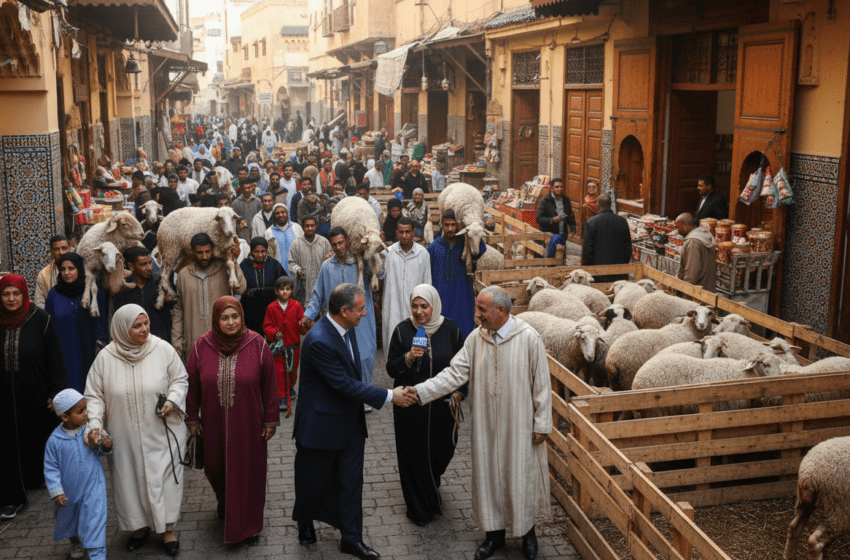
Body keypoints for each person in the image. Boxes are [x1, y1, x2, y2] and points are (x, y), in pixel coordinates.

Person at [405, 287, 552, 560]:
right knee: (488, 477)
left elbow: (542, 383)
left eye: (482, 310)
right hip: (486, 424)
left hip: (520, 424)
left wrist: (542, 423)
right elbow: (454, 373)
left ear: (501, 311)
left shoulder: (529, 338)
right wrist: (421, 391)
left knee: (521, 477)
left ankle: (527, 533)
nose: (476, 315)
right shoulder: (476, 339)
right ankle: (493, 535)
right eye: (476, 309)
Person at [292, 283, 412, 558]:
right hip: (320, 426)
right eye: (360, 309)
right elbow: (344, 384)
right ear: (344, 311)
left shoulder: (347, 327)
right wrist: (390, 395)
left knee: (350, 483)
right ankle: (305, 521)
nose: (366, 313)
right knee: (313, 481)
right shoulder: (319, 340)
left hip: (350, 424)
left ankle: (351, 538)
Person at [85, 304, 188, 555]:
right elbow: (94, 396)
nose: (145, 329)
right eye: (137, 325)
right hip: (124, 435)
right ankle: (138, 527)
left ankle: (167, 529)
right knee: (129, 481)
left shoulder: (162, 349)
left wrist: (173, 401)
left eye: (146, 323)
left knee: (164, 481)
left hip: (162, 433)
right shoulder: (105, 358)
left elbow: (180, 379)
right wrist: (95, 425)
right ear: (122, 329)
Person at [186, 297, 278, 545]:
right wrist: (192, 418)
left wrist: (270, 420)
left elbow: (270, 385)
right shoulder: (201, 346)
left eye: (235, 317)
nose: (230, 322)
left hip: (248, 426)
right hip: (214, 426)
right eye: (224, 318)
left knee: (249, 472)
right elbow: (191, 385)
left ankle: (247, 526)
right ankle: (225, 502)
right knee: (216, 469)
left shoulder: (258, 345)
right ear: (216, 320)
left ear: (242, 317)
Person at [386, 285, 465, 526]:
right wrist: (408, 358)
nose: (419, 312)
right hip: (410, 407)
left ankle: (431, 486)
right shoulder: (402, 330)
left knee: (442, 451)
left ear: (434, 305)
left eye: (424, 306)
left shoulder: (450, 329)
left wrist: (460, 392)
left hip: (442, 408)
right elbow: (390, 368)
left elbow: (463, 367)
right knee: (413, 456)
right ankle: (419, 507)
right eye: (414, 306)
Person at [0, 274, 66, 520]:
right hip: (4, 397)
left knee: (35, 437)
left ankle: (37, 477)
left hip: (36, 394)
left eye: (16, 293)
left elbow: (56, 359)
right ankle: (12, 490)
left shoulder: (41, 319)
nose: (11, 298)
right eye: (5, 294)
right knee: (8, 441)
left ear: (24, 294)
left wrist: (55, 391)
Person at [300, 228, 378, 410]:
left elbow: (379, 274)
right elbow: (318, 293)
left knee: (365, 355)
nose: (338, 247)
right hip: (337, 321)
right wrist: (308, 314)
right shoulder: (327, 266)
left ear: (348, 241)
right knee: (341, 355)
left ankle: (365, 397)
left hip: (361, 319)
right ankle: (345, 395)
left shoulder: (361, 261)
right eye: (334, 244)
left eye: (341, 242)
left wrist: (373, 255)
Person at [44, 389, 112, 560]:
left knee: (95, 518)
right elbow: (51, 468)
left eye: (86, 409)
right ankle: (75, 541)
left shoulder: (89, 430)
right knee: (70, 519)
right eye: (80, 411)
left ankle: (97, 554)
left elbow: (101, 449)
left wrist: (106, 445)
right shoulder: (54, 441)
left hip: (93, 487)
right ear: (65, 417)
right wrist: (57, 491)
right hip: (70, 491)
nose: (86, 414)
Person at [172, 233, 247, 360]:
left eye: (208, 251)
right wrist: (177, 343)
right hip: (193, 344)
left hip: (222, 342)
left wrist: (233, 260)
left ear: (213, 250)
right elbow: (179, 310)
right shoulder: (183, 275)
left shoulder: (224, 268)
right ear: (192, 251)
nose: (204, 256)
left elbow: (241, 288)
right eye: (199, 252)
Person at [45, 253, 108, 393]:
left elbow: (101, 325)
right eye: (63, 269)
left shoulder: (94, 293)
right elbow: (49, 329)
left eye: (71, 268)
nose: (67, 273)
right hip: (64, 356)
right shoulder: (53, 295)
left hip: (90, 354)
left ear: (80, 268)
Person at [427, 210, 486, 338]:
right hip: (441, 300)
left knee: (463, 333)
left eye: (453, 225)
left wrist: (473, 228)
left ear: (459, 225)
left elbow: (481, 250)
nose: (450, 228)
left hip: (463, 298)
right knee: (441, 336)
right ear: (441, 224)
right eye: (446, 224)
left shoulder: (466, 245)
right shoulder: (433, 248)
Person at [380, 217, 431, 349]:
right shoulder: (388, 252)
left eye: (407, 232)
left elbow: (427, 285)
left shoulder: (423, 254)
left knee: (415, 351)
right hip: (393, 310)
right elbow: (379, 275)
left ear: (413, 232)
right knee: (392, 349)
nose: (404, 236)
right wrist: (375, 255)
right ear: (396, 232)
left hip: (415, 312)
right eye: (401, 232)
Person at [112, 246, 174, 343]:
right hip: (134, 345)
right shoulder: (124, 289)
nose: (149, 267)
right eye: (143, 264)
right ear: (131, 266)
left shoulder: (161, 285)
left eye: (150, 263)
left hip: (159, 343)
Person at [263, 276, 303, 410]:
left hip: (294, 346)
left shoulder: (297, 306)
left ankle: (290, 386)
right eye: (281, 289)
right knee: (279, 372)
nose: (285, 292)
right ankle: (281, 397)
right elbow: (266, 325)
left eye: (287, 289)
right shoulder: (271, 307)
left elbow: (301, 327)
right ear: (276, 291)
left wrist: (306, 325)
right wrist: (274, 333)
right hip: (279, 348)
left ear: (291, 290)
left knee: (292, 371)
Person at [240, 237, 287, 333]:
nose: (260, 255)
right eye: (256, 251)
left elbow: (285, 283)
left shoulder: (274, 264)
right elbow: (239, 286)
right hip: (251, 313)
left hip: (272, 312)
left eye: (263, 251)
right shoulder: (244, 265)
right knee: (255, 341)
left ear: (266, 250)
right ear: (251, 251)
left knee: (273, 341)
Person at [582, 194, 632, 282]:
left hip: (598, 273)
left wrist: (587, 269)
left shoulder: (591, 222)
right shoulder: (622, 221)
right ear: (610, 204)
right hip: (619, 272)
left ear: (597, 205)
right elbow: (628, 248)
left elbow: (587, 251)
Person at [288, 215, 331, 308]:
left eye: (312, 225)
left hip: (322, 286)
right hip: (304, 289)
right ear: (303, 227)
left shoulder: (324, 243)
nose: (310, 228)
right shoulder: (296, 244)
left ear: (316, 226)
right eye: (307, 226)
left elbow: (331, 263)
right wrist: (297, 270)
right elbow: (291, 263)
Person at [675, 213, 717, 292]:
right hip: (707, 290)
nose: (677, 230)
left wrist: (685, 293)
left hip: (697, 294)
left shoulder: (692, 242)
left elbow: (691, 274)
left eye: (678, 227)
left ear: (685, 225)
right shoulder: (703, 234)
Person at [265, 203, 303, 276]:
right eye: (277, 213)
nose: (280, 215)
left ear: (287, 213)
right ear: (274, 215)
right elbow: (269, 256)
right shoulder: (269, 232)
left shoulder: (297, 228)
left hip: (297, 273)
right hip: (278, 274)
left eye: (283, 212)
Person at [35, 234, 70, 308]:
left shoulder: (80, 270)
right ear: (51, 251)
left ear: (69, 249)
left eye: (64, 248)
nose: (61, 252)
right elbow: (40, 305)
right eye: (57, 249)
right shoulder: (43, 275)